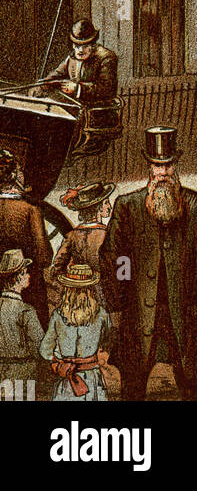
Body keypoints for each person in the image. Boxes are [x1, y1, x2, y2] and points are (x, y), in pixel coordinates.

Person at [99, 125, 197, 401]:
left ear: (176, 166)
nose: (162, 173)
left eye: (168, 165)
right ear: (148, 167)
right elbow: (112, 257)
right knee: (132, 392)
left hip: (186, 316)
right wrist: (116, 304)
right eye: (156, 166)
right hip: (139, 317)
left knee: (193, 393)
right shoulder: (127, 206)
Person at [39, 264, 110, 402]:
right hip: (92, 379)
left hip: (67, 379)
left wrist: (57, 364)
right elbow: (106, 339)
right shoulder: (101, 314)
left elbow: (44, 349)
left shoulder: (58, 315)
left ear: (68, 289)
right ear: (90, 290)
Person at [0, 149, 51, 326]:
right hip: (27, 291)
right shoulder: (29, 209)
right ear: (14, 175)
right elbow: (44, 257)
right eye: (20, 171)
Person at [47, 182, 113, 308]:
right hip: (104, 296)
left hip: (77, 297)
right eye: (106, 203)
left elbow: (58, 265)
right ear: (98, 207)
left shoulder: (72, 236)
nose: (109, 207)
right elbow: (119, 267)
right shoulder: (107, 234)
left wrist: (70, 283)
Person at [35, 19, 118, 108]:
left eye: (85, 46)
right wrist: (42, 86)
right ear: (73, 45)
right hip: (77, 109)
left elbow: (107, 90)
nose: (81, 51)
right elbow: (56, 75)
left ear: (93, 45)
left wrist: (77, 88)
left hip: (99, 112)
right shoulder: (71, 58)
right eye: (77, 46)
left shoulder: (106, 58)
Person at [0, 249, 44, 390]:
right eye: (26, 272)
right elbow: (40, 348)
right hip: (23, 375)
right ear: (19, 277)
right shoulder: (26, 310)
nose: (29, 276)